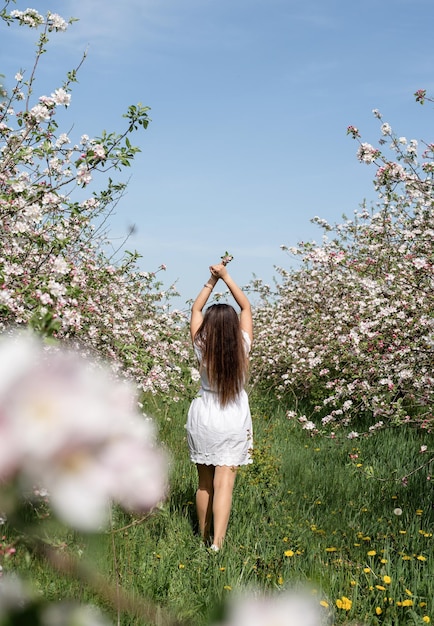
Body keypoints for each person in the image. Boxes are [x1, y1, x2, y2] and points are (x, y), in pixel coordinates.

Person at [186, 262, 253, 551]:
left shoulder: (202, 345)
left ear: (209, 328)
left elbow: (195, 311)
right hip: (233, 416)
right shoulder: (242, 344)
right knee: (225, 483)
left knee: (205, 483)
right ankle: (217, 544)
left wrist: (211, 281)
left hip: (205, 415)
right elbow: (247, 308)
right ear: (233, 326)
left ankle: (201, 537)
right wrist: (227, 277)